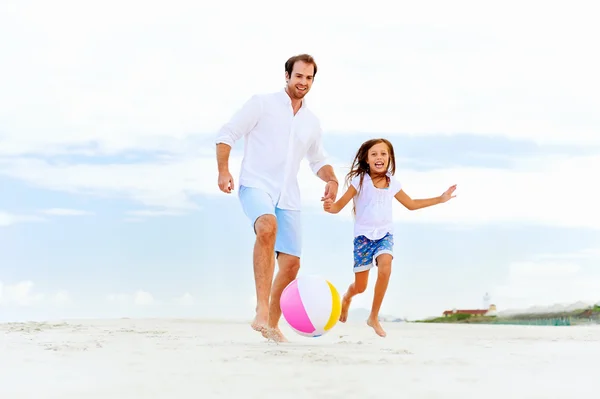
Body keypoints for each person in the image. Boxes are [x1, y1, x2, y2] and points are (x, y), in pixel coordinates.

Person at [215, 54, 339, 342]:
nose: (303, 82)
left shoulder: (311, 122)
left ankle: (271, 325)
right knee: (266, 227)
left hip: (289, 197)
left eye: (309, 78)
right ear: (287, 76)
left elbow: (318, 160)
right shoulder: (262, 104)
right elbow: (227, 134)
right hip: (256, 185)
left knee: (292, 265)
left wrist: (331, 179)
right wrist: (224, 171)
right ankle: (261, 308)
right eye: (299, 76)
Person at [323, 138, 456, 337]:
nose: (379, 157)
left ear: (390, 158)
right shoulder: (359, 181)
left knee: (386, 267)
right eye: (374, 154)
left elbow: (411, 204)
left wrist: (440, 199)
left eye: (383, 154)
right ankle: (347, 298)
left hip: (385, 235)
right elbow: (337, 207)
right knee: (360, 286)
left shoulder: (393, 183)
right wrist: (328, 205)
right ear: (367, 160)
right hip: (363, 239)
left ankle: (373, 317)